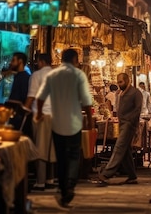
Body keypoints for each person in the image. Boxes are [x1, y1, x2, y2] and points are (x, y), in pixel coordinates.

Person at [34, 49, 93, 207]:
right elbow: (87, 102)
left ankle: (63, 187)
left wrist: (39, 113)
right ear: (74, 59)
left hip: (57, 123)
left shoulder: (52, 75)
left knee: (60, 158)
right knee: (73, 156)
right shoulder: (79, 75)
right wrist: (91, 122)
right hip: (74, 124)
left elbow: (39, 98)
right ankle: (70, 186)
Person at [99, 73, 144, 185]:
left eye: (121, 82)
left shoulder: (135, 93)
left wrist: (129, 120)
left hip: (129, 125)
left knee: (119, 147)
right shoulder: (120, 93)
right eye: (118, 82)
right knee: (125, 151)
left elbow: (137, 110)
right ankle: (132, 176)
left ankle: (107, 173)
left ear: (127, 80)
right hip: (122, 124)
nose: (119, 84)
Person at [27, 53, 55, 191]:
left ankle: (41, 181)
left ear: (41, 61)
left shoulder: (36, 76)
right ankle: (50, 178)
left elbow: (32, 96)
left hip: (41, 114)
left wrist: (24, 109)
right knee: (51, 148)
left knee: (40, 148)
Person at [8, 52, 32, 136]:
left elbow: (24, 97)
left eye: (13, 60)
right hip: (15, 115)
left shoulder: (25, 78)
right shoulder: (18, 76)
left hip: (19, 117)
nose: (11, 63)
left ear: (20, 61)